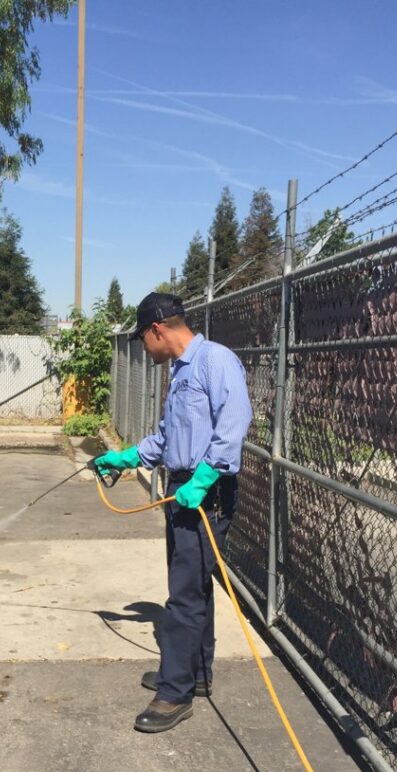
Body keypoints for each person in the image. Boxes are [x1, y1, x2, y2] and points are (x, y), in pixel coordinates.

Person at [94, 292, 252, 734]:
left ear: (158, 329)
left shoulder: (214, 361)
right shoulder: (181, 373)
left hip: (208, 493)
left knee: (183, 594)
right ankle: (195, 672)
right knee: (193, 588)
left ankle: (174, 691)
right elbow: (165, 440)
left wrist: (203, 480)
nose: (144, 348)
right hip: (184, 489)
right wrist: (123, 458)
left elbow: (234, 422)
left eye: (143, 338)